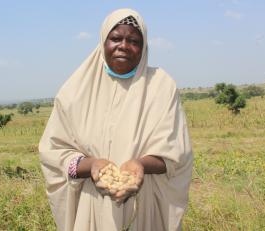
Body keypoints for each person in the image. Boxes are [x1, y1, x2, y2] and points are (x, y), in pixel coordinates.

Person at [39, 8, 193, 231]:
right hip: (91, 206)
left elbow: (176, 154)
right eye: (116, 38)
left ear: (143, 47)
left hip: (144, 206)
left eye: (133, 40)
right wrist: (92, 165)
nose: (124, 46)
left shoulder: (161, 85)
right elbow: (53, 152)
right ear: (103, 41)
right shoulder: (74, 91)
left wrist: (139, 165)